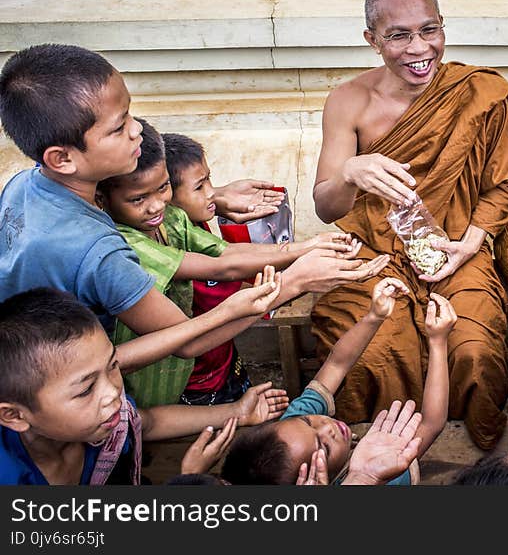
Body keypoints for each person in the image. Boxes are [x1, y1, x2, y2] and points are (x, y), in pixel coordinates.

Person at [0, 43, 389, 377]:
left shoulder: (24, 185)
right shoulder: (99, 253)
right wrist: (294, 283)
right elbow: (190, 339)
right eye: (118, 129)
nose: (137, 130)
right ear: (62, 158)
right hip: (69, 399)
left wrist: (213, 197)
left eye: (130, 115)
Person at [309, 0, 508, 450]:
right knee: (373, 354)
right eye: (399, 35)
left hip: (457, 246)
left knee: (473, 351)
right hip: (372, 253)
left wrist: (470, 244)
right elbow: (326, 207)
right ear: (372, 40)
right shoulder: (349, 101)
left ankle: (476, 457)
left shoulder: (482, 93)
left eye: (429, 30)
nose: (419, 49)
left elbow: (501, 184)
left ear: (443, 26)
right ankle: (372, 457)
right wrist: (351, 171)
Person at [96, 119, 358, 407]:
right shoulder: (128, 244)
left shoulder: (172, 217)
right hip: (173, 382)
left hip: (218, 361)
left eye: (163, 189)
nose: (157, 205)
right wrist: (296, 278)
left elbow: (226, 254)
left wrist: (308, 246)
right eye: (138, 199)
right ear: (102, 200)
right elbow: (220, 269)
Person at [0, 288, 289, 485]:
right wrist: (189, 479)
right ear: (14, 416)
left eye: (113, 366)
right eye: (86, 389)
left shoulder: (105, 424)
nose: (113, 392)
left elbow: (146, 423)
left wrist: (237, 411)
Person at [221, 278, 455, 485]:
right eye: (324, 447)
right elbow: (432, 424)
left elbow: (336, 365)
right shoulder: (387, 472)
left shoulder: (292, 429)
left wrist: (374, 316)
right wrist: (437, 342)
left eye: (309, 421)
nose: (328, 427)